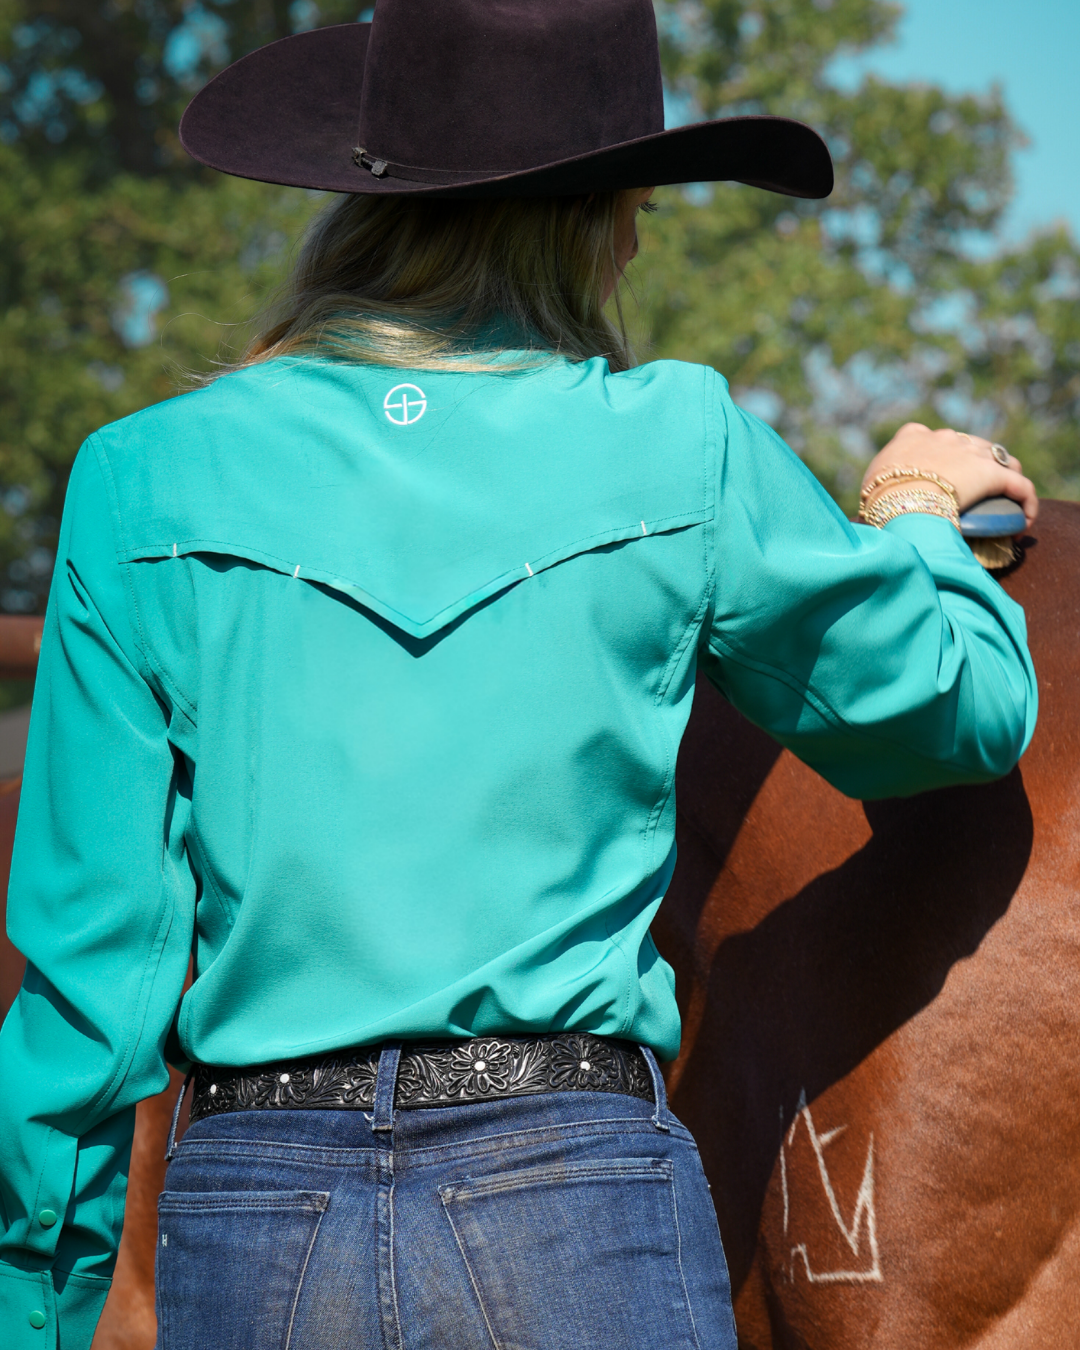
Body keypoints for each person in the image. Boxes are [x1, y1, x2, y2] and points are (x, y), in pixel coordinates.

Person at [0, 2, 1037, 1347]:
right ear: (592, 218)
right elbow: (954, 711)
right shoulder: (681, 443)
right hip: (571, 1191)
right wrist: (914, 523)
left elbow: (92, 985)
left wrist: (35, 1305)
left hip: (257, 1212)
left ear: (361, 199)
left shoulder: (142, 481)